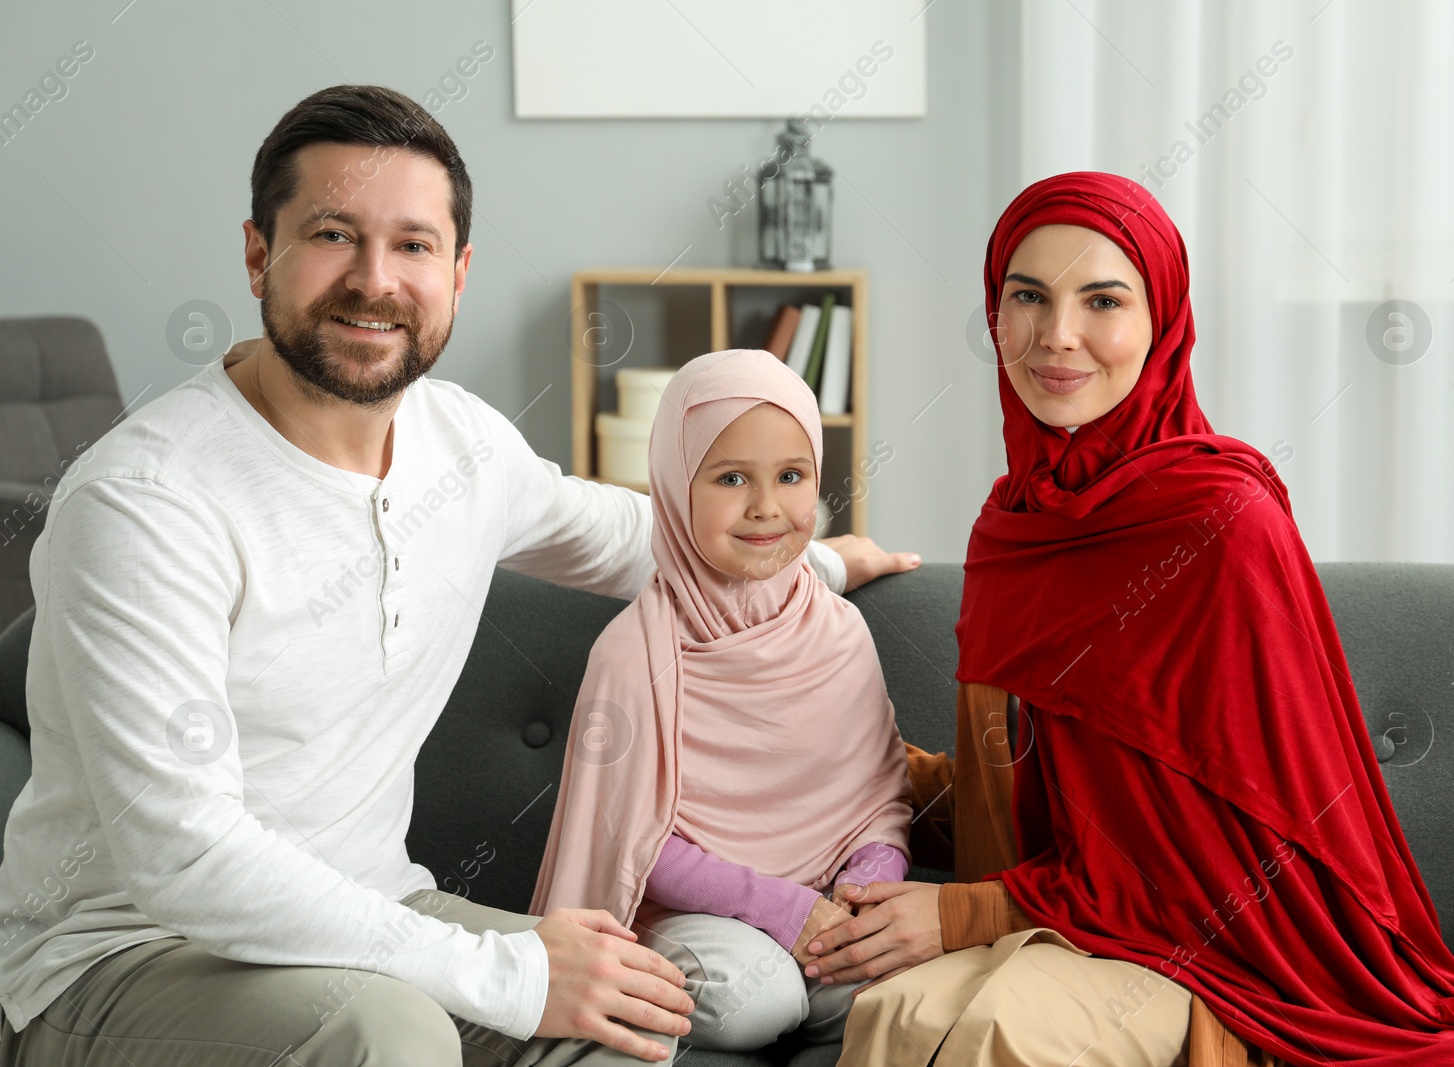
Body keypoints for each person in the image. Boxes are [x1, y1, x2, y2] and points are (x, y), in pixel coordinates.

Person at [0, 85, 918, 1067]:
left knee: (638, 1003)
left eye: (413, 245)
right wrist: (514, 977)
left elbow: (623, 534)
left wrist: (811, 557)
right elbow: (185, 854)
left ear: (459, 271)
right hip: (125, 958)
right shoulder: (146, 498)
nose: (374, 279)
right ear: (259, 252)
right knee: (390, 1032)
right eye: (332, 235)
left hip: (375, 907)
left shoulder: (460, 445)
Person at [801, 172, 1454, 1066]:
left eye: (1102, 299)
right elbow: (1042, 793)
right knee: (895, 1017)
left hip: (1217, 950)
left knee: (997, 1036)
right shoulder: (1011, 527)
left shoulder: (1222, 523)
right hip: (1075, 913)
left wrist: (968, 910)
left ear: (1164, 321)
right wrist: (853, 758)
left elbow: (1236, 853)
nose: (1056, 336)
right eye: (1026, 297)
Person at [532, 349, 913, 1053]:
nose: (767, 506)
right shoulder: (632, 654)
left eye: (792, 476)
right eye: (732, 477)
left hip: (827, 907)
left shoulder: (838, 630)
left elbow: (880, 800)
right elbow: (632, 840)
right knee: (750, 995)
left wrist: (864, 897)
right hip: (689, 915)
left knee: (900, 988)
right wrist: (785, 909)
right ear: (676, 487)